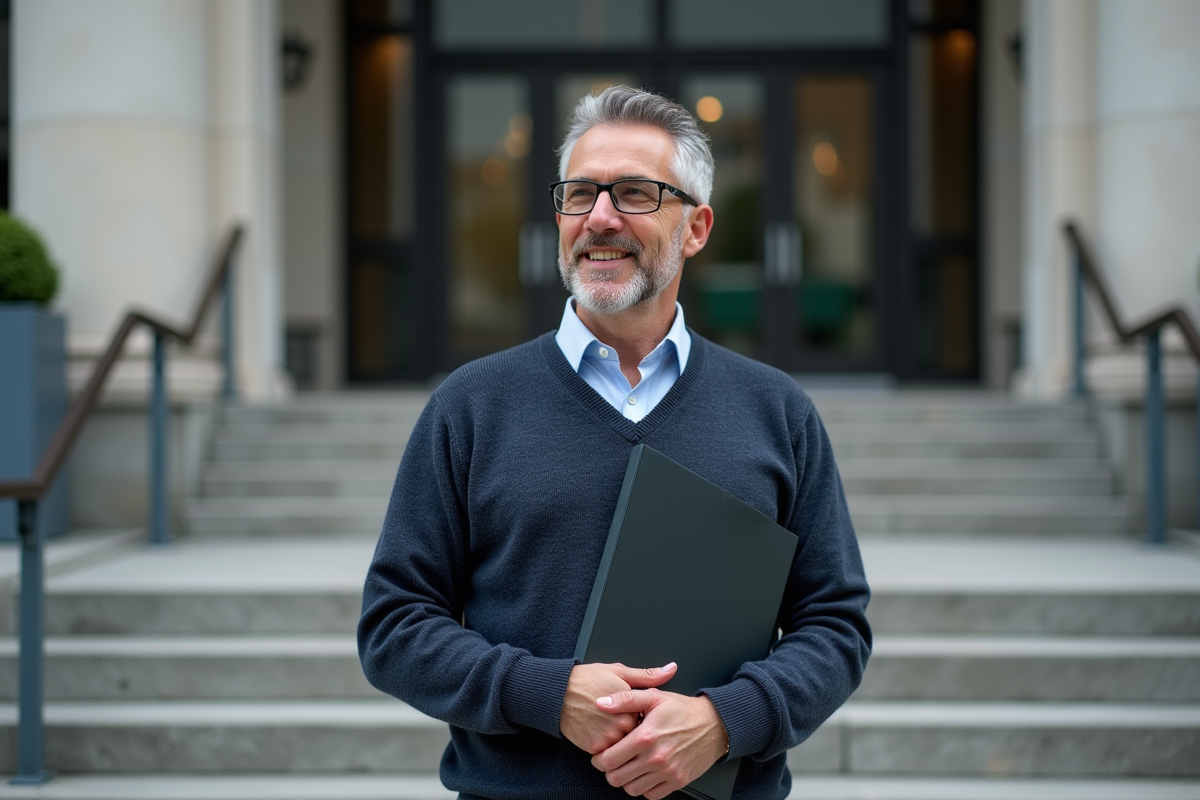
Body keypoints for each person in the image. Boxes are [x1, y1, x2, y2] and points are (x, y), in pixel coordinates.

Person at [358, 85, 871, 800]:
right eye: (579, 194)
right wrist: (547, 692)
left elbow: (835, 625)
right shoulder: (470, 408)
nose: (600, 218)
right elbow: (394, 627)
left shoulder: (777, 412)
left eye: (634, 193)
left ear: (695, 228)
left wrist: (724, 721)